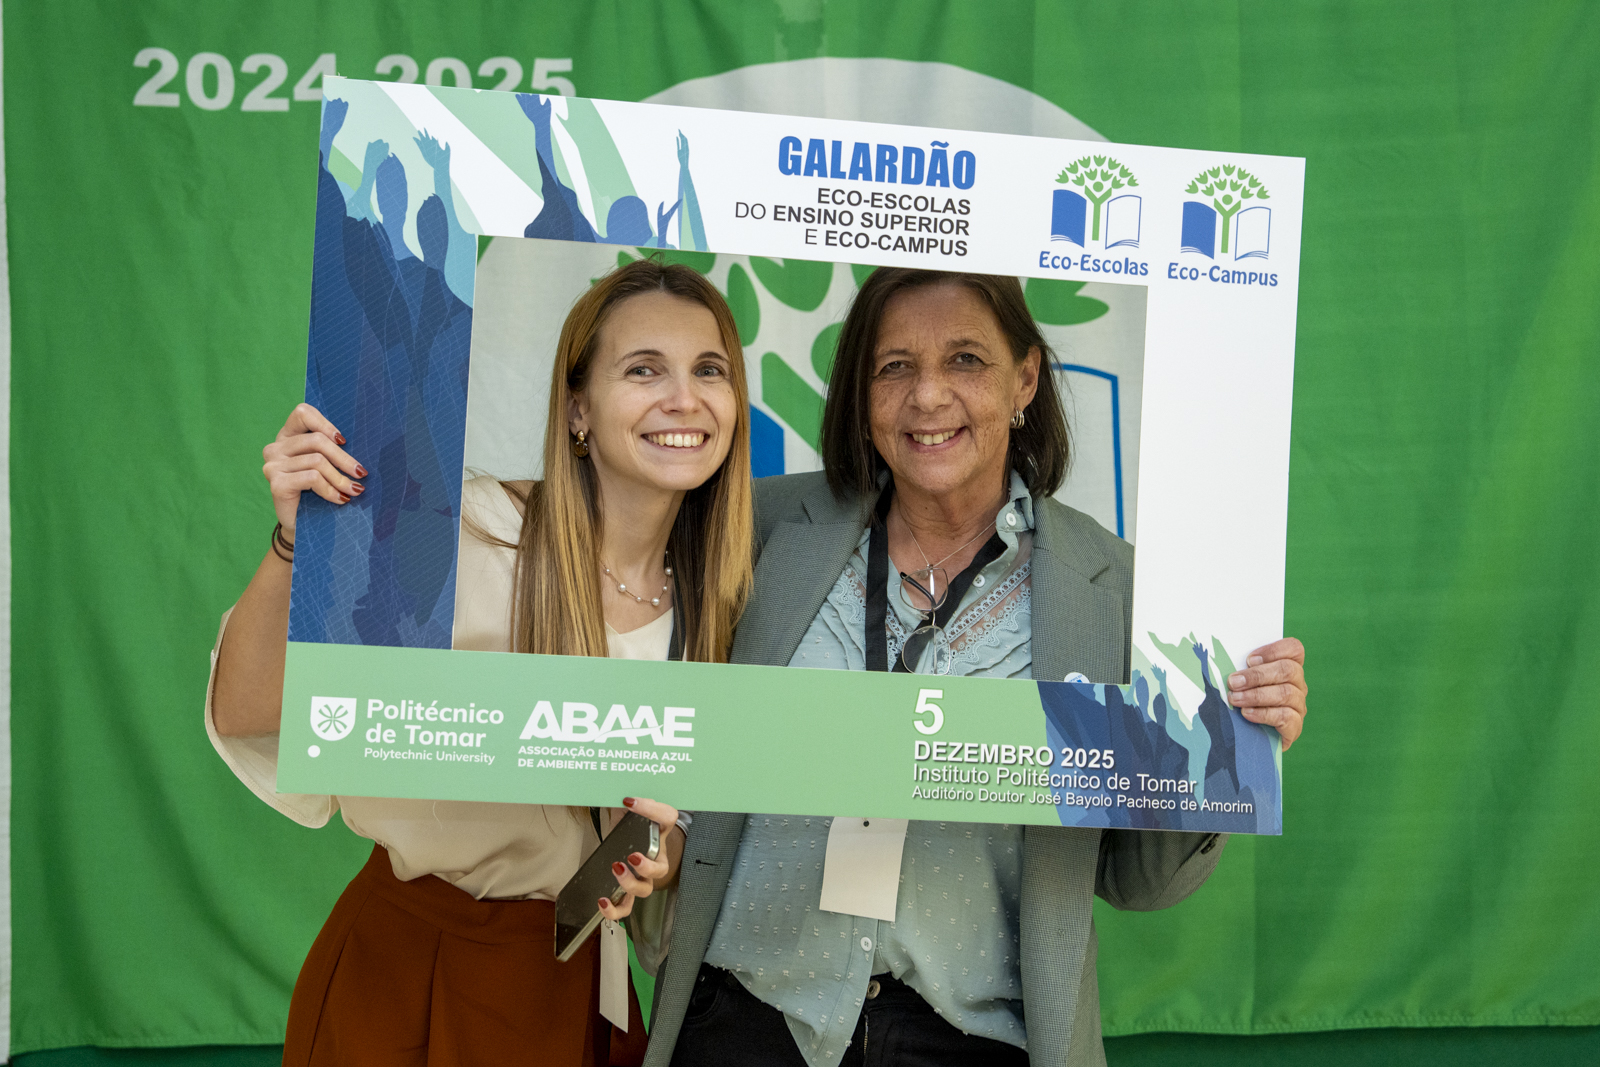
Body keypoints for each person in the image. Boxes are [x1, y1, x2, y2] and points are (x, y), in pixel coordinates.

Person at [645, 268, 1310, 1067]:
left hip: (971, 1038)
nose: (928, 395)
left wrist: (1226, 747)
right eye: (895, 366)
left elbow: (1139, 880)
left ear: (1025, 378)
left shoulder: (1118, 592)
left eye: (965, 359)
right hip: (748, 1018)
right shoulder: (759, 528)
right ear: (861, 392)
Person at [206, 258, 754, 1067]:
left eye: (709, 370)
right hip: (411, 979)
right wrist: (299, 540)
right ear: (578, 407)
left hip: (580, 986)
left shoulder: (724, 603)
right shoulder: (463, 535)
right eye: (644, 369)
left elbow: (675, 819)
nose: (684, 398)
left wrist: (659, 856)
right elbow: (249, 710)